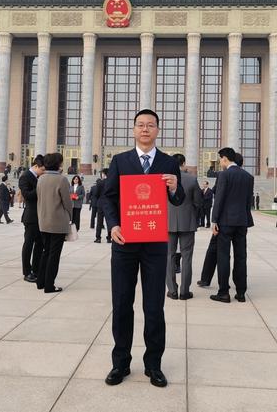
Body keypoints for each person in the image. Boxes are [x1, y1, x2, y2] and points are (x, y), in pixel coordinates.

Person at [101, 109, 185, 388]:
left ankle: (154, 365)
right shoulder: (120, 161)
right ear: (134, 129)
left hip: (155, 244)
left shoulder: (168, 162)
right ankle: (120, 363)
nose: (145, 129)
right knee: (122, 304)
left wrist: (174, 188)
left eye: (150, 125)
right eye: (140, 125)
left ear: (158, 130)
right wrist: (113, 226)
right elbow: (108, 198)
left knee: (154, 306)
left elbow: (179, 199)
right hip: (124, 243)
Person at [209, 147, 254, 304]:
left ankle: (224, 292)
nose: (220, 162)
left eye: (220, 159)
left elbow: (219, 199)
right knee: (241, 257)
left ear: (225, 159)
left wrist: (214, 221)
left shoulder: (224, 175)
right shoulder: (248, 176)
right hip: (242, 222)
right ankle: (241, 293)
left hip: (226, 222)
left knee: (223, 257)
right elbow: (249, 202)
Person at [166, 154, 202, 301]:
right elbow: (198, 202)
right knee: (187, 257)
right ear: (184, 163)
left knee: (169, 256)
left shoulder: (165, 179)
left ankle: (172, 291)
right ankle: (184, 291)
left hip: (167, 223)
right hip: (187, 222)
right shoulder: (192, 179)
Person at [36, 152, 72, 293]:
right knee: (54, 255)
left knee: (45, 252)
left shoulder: (41, 179)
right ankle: (49, 285)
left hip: (43, 220)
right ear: (59, 164)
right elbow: (67, 202)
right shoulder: (61, 180)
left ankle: (41, 282)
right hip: (57, 222)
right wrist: (70, 215)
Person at [19, 154, 45, 283]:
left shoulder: (39, 177)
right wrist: (40, 186)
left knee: (40, 244)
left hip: (41, 216)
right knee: (28, 244)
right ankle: (27, 272)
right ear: (36, 166)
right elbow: (27, 195)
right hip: (31, 217)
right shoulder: (25, 176)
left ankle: (36, 269)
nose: (43, 172)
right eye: (42, 170)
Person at [94, 169, 111, 243]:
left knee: (99, 222)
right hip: (109, 204)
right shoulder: (111, 182)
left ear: (104, 174)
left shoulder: (100, 183)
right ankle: (109, 238)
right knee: (109, 222)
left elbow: (96, 194)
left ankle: (98, 238)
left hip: (100, 203)